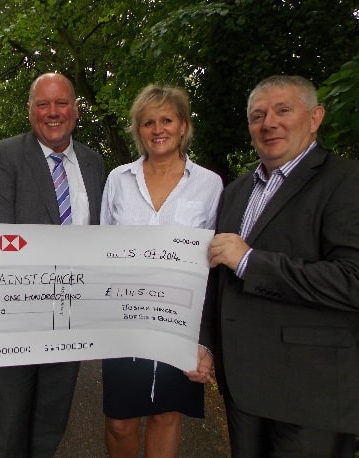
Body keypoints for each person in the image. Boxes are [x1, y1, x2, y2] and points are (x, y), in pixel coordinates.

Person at [202, 75, 359, 457]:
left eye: (283, 110)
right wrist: (206, 342)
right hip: (243, 386)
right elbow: (218, 276)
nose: (269, 123)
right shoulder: (235, 192)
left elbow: (352, 280)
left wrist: (250, 261)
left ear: (315, 117)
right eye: (258, 116)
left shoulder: (346, 181)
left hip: (311, 392)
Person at [0, 72, 105, 457]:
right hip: (16, 321)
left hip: (70, 320)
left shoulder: (94, 163)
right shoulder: (4, 156)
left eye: (61, 103)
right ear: (30, 110)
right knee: (8, 431)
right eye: (43, 104)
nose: (53, 112)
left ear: (75, 109)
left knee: (50, 426)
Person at [100, 84, 222, 457]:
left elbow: (213, 265)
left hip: (180, 320)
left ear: (183, 125)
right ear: (138, 130)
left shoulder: (209, 184)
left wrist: (205, 341)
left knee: (167, 414)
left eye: (166, 120)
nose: (158, 129)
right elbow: (101, 250)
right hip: (123, 318)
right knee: (120, 421)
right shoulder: (118, 180)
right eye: (148, 122)